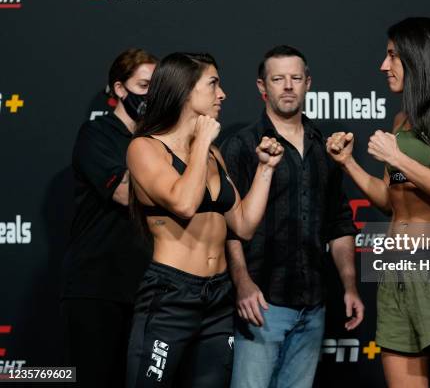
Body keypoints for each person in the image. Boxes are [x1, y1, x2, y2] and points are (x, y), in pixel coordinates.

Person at [326, 18, 430, 388]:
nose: (383, 66)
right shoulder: (402, 121)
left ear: (419, 58)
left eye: (392, 56)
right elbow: (391, 200)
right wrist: (349, 163)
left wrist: (400, 159)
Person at [125, 52, 284, 388]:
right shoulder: (145, 148)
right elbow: (183, 203)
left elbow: (243, 224)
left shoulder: (213, 153)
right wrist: (199, 144)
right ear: (185, 92)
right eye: (213, 84)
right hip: (171, 294)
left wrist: (265, 169)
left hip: (218, 296)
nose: (222, 93)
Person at [221, 45, 365, 388]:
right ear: (262, 87)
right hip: (261, 304)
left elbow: (339, 222)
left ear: (308, 83)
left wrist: (349, 285)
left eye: (296, 78)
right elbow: (225, 223)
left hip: (313, 305)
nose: (288, 86)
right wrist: (241, 283)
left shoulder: (326, 146)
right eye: (278, 79)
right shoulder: (241, 146)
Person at [60, 48, 157, 388]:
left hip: (146, 289)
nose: (151, 94)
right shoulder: (96, 134)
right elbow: (124, 193)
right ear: (119, 89)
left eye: (156, 86)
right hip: (97, 286)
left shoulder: (155, 143)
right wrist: (172, 188)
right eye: (144, 85)